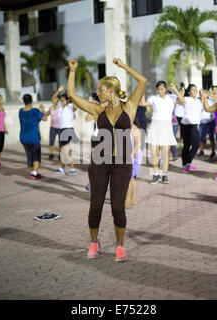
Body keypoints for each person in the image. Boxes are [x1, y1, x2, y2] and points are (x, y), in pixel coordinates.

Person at [67, 57, 146, 262]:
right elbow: (71, 95)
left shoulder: (129, 108)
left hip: (121, 164)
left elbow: (143, 81)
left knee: (118, 207)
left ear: (111, 90)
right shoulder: (98, 110)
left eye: (101, 89)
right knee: (96, 205)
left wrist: (122, 67)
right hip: (100, 163)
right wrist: (73, 71)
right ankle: (94, 243)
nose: (98, 93)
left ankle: (120, 247)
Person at [144, 81, 177, 184]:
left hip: (167, 125)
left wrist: (175, 89)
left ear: (166, 89)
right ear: (156, 90)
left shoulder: (172, 97)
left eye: (162, 89)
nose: (160, 91)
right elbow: (143, 104)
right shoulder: (154, 98)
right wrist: (141, 92)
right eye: (158, 89)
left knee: (165, 152)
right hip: (155, 125)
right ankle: (156, 174)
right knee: (154, 152)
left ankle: (165, 174)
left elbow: (182, 101)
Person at [170, 83, 202, 172]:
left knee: (195, 146)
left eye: (196, 89)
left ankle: (188, 163)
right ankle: (185, 165)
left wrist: (203, 94)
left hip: (194, 125)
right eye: (193, 90)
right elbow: (181, 100)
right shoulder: (186, 99)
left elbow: (204, 103)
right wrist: (176, 89)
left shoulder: (198, 100)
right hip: (186, 125)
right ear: (189, 92)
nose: (195, 91)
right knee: (188, 146)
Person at [19, 94, 47, 180]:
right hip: (34, 137)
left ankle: (33, 171)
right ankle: (34, 173)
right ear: (32, 101)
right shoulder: (35, 111)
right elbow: (45, 118)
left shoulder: (20, 111)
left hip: (23, 137)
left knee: (29, 155)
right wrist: (42, 109)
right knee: (36, 156)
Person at [55, 91, 79, 175]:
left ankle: (73, 169)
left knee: (65, 151)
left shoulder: (70, 106)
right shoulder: (60, 106)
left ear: (67, 100)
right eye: (60, 100)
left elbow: (77, 106)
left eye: (63, 100)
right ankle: (62, 168)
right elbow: (54, 99)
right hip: (62, 130)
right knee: (64, 151)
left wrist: (71, 97)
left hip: (68, 130)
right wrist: (59, 90)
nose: (61, 102)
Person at [43, 85, 64, 161]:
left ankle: (60, 155)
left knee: (60, 142)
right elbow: (46, 114)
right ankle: (51, 154)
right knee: (51, 141)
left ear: (58, 100)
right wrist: (42, 110)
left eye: (55, 99)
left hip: (60, 127)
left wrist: (59, 91)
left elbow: (53, 97)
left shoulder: (61, 106)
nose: (53, 100)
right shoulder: (51, 108)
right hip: (52, 127)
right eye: (53, 100)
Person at [125, 118, 142, 209]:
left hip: (133, 156)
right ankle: (133, 199)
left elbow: (138, 144)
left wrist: (131, 155)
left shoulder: (135, 129)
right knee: (131, 179)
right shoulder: (125, 128)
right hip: (129, 156)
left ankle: (128, 201)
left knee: (129, 179)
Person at [197, 89, 217, 159]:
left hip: (211, 121)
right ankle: (201, 151)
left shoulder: (211, 100)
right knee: (201, 138)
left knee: (211, 138)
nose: (202, 94)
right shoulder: (197, 101)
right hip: (202, 122)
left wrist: (210, 95)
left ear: (207, 93)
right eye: (200, 93)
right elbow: (201, 104)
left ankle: (213, 152)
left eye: (203, 93)